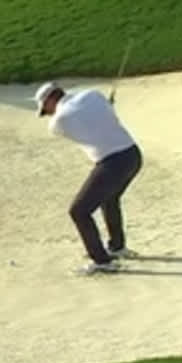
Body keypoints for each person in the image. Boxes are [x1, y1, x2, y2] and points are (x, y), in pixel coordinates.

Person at [34, 81, 144, 275]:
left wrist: (101, 114)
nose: (48, 114)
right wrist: (104, 110)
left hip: (112, 163)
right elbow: (98, 114)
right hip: (133, 156)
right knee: (110, 199)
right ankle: (117, 247)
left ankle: (102, 261)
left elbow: (68, 125)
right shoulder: (93, 95)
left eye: (46, 109)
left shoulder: (58, 122)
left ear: (51, 99)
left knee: (78, 212)